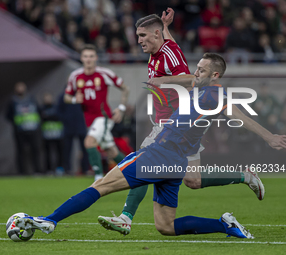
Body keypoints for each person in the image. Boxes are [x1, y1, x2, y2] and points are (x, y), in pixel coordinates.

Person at [15, 53, 286, 239]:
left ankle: (50, 220)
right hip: (176, 162)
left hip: (159, 153)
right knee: (166, 226)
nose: (196, 72)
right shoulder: (201, 89)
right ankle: (224, 225)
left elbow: (238, 115)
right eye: (197, 67)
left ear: (215, 74)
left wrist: (269, 137)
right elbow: (187, 80)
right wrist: (165, 70)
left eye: (202, 69)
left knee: (100, 186)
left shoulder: (214, 93)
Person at [98, 9, 265, 235]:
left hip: (174, 125)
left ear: (154, 34)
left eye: (143, 36)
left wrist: (164, 79)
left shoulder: (168, 54)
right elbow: (175, 52)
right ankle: (245, 177)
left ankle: (125, 217)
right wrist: (166, 27)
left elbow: (190, 77)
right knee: (193, 181)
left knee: (145, 163)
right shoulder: (163, 50)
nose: (140, 41)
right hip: (181, 129)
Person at [64, 44, 129, 181]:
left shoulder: (104, 73)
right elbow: (66, 97)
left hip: (103, 116)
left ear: (96, 58)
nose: (88, 59)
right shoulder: (75, 76)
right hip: (89, 119)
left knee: (89, 142)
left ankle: (98, 178)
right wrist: (75, 99)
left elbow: (125, 88)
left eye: (91, 56)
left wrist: (121, 108)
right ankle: (133, 172)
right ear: (81, 58)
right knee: (111, 151)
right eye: (86, 56)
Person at [5, 82, 42, 175]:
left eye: (22, 88)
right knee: (21, 151)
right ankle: (21, 172)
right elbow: (8, 116)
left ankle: (37, 171)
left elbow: (39, 112)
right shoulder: (12, 101)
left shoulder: (32, 99)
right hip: (20, 131)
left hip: (33, 129)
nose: (20, 90)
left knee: (36, 150)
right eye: (18, 88)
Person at [40, 92, 64, 174]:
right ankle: (49, 170)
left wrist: (48, 116)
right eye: (46, 98)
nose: (48, 100)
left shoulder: (57, 107)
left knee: (59, 152)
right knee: (47, 153)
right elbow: (41, 118)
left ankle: (59, 169)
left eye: (49, 97)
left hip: (58, 134)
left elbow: (59, 116)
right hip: (46, 135)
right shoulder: (41, 108)